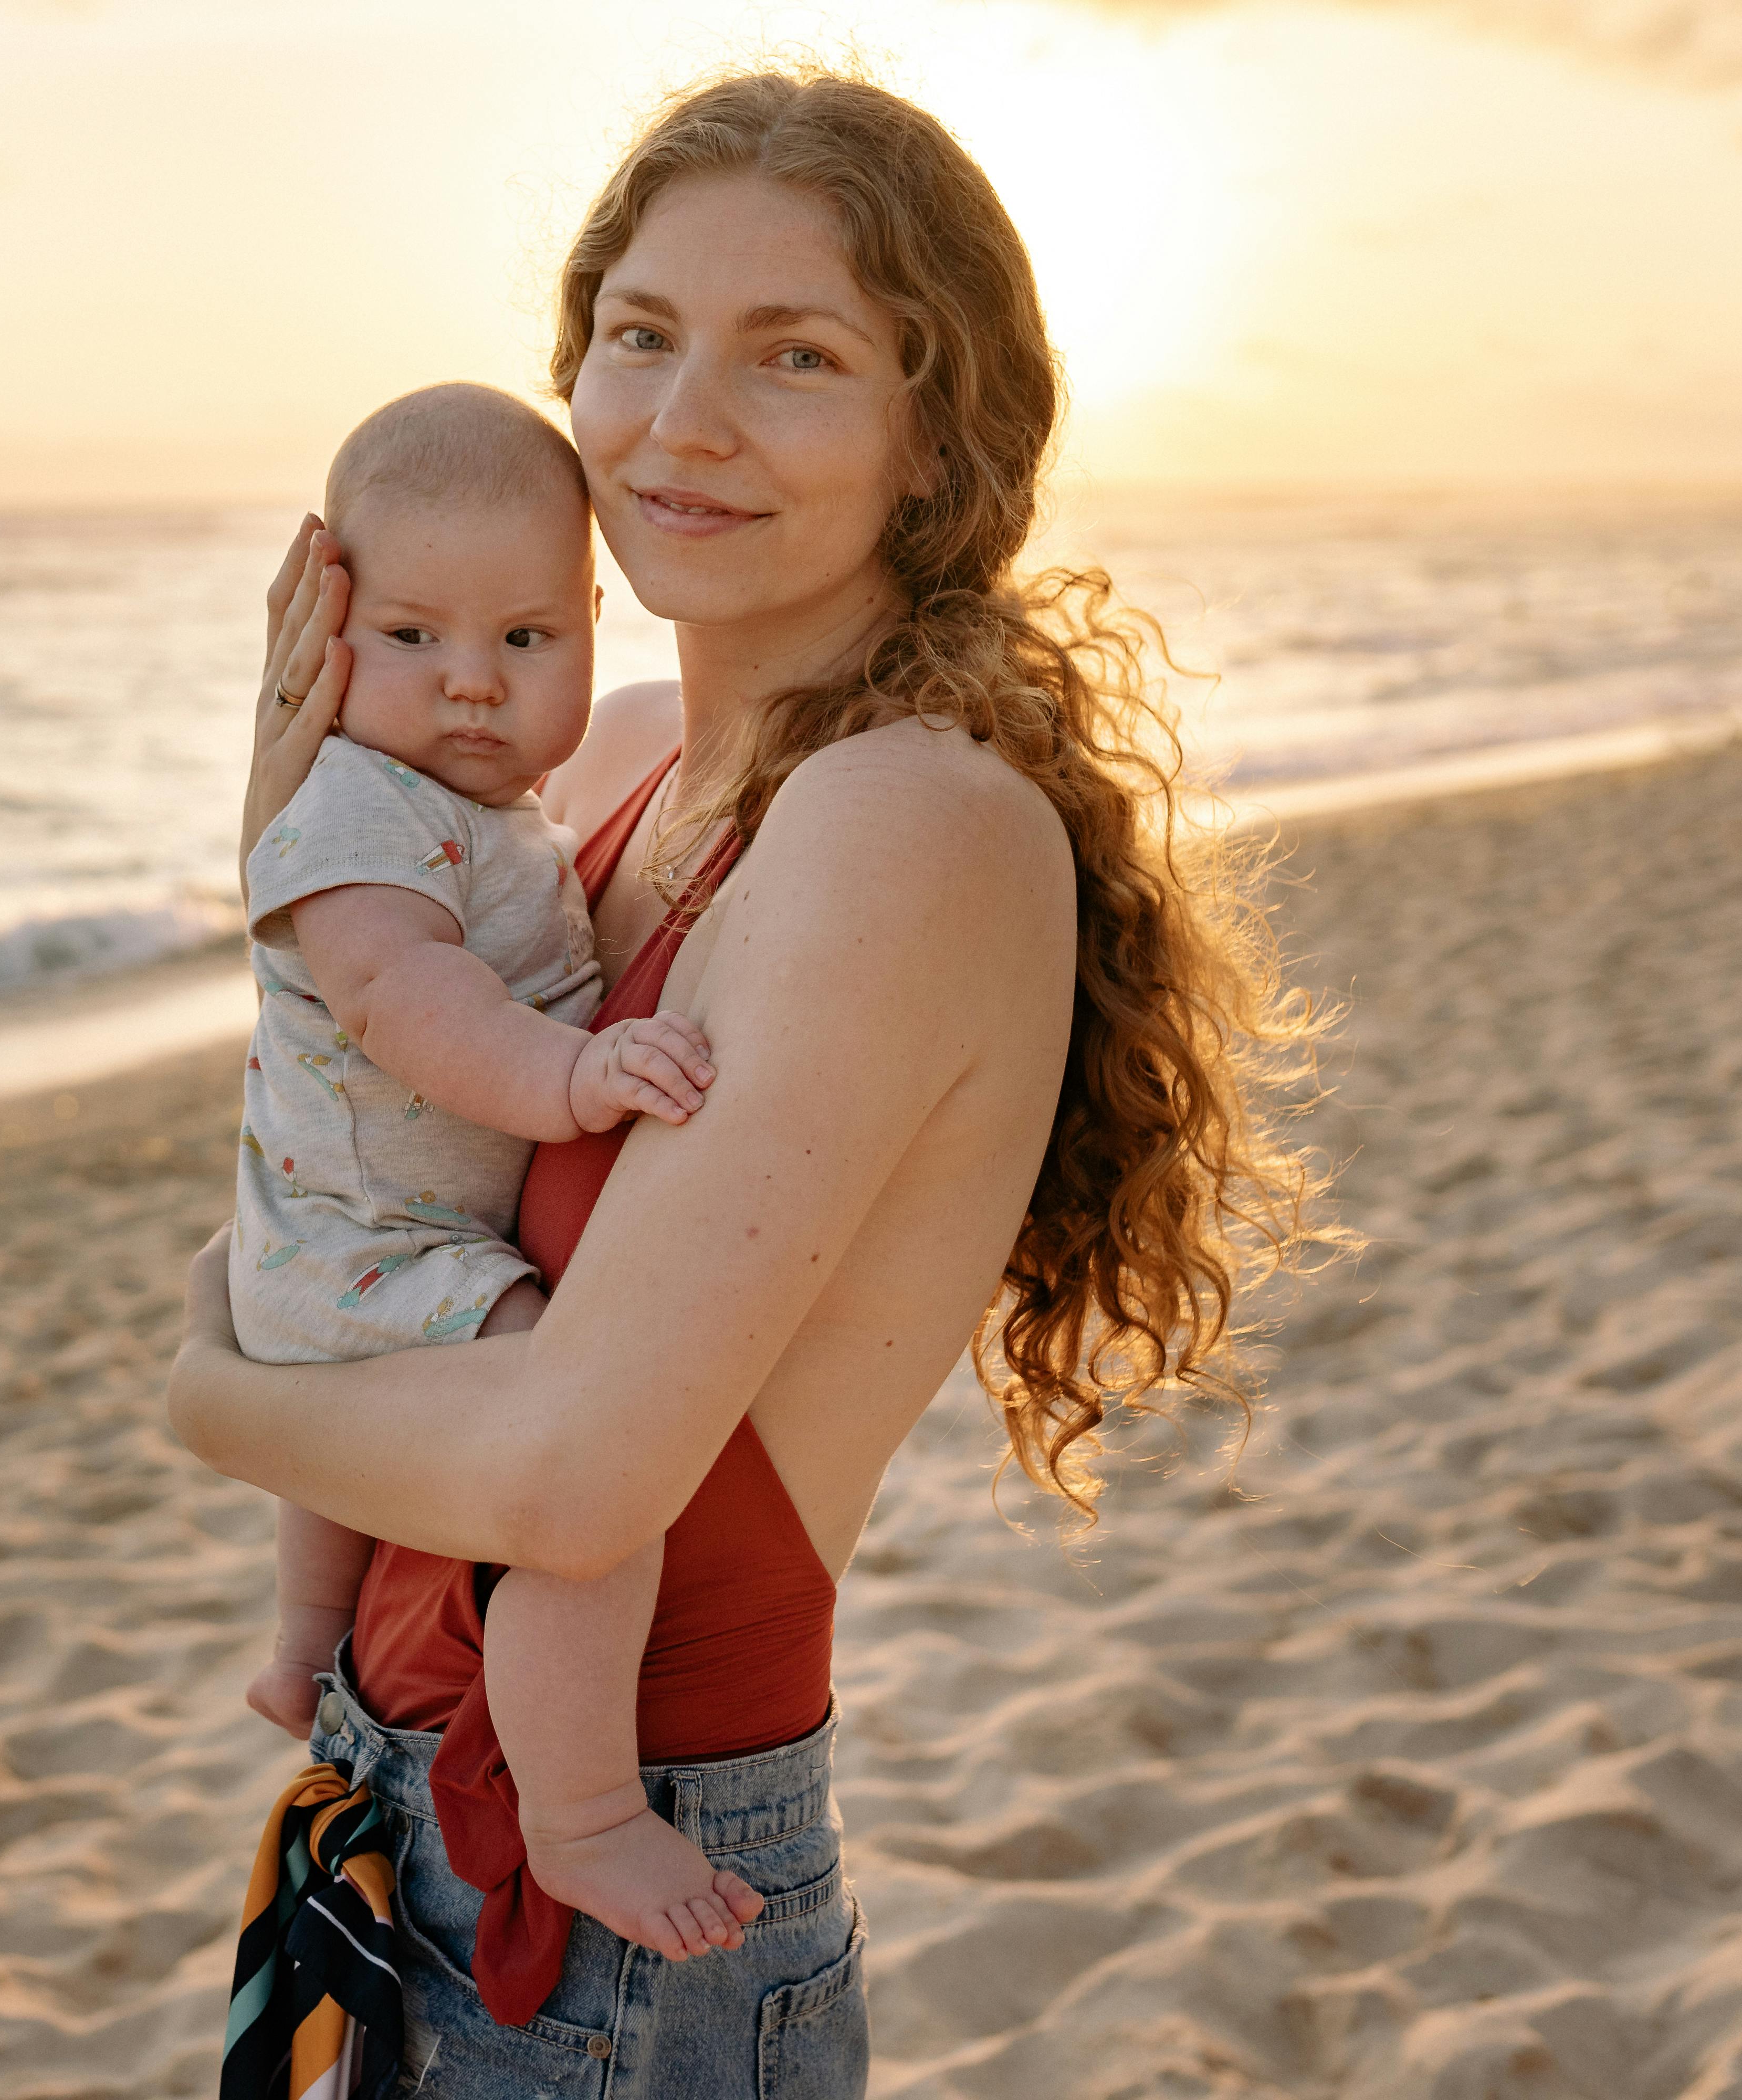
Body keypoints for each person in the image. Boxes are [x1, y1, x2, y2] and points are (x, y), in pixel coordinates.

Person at [174, 65, 1325, 2093]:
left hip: (631, 1909)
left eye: (793, 356)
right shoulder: (602, 760)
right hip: (401, 1811)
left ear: (938, 441)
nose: (679, 423)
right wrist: (300, 835)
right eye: (640, 336)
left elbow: (578, 1476)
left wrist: (212, 1396)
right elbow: (362, 1170)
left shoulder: (909, 827)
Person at [229, 379, 761, 1960]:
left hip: (349, 1246)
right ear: (328, 638)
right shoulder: (352, 812)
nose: (471, 685)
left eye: (526, 643)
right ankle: (582, 1812)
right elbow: (410, 1004)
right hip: (368, 1251)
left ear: (593, 628)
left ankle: (300, 1645)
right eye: (411, 640)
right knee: (587, 1474)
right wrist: (574, 1077)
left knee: (360, 1466)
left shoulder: (495, 808)